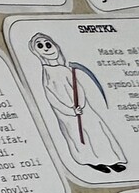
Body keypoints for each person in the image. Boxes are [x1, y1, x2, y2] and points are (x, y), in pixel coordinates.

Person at [26, 31, 127, 173]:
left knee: (96, 131)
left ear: (56, 46)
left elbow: (78, 88)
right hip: (68, 115)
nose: (46, 48)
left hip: (83, 109)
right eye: (40, 46)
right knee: (79, 137)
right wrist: (70, 111)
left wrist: (81, 104)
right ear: (37, 53)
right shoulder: (47, 72)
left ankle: (111, 159)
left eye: (48, 44)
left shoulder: (66, 69)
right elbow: (52, 98)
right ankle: (92, 161)